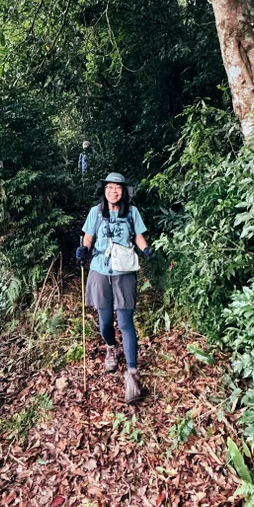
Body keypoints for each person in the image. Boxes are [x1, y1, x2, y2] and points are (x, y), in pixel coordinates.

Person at [75, 172, 153, 403]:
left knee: (126, 322)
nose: (113, 191)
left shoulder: (132, 212)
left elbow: (139, 236)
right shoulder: (95, 212)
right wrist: (84, 250)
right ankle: (111, 347)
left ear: (124, 191)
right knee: (105, 321)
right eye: (109, 188)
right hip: (100, 270)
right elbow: (87, 237)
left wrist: (147, 250)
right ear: (104, 191)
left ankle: (132, 373)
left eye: (117, 188)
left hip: (124, 272)